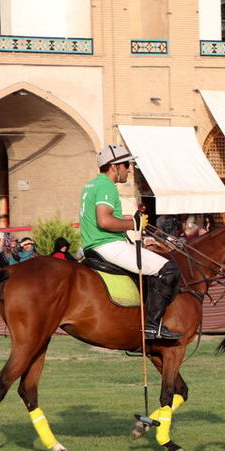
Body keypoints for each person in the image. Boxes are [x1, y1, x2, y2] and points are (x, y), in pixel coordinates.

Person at [80, 144, 181, 340]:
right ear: (114, 166)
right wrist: (132, 223)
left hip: (93, 245)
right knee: (169, 269)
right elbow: (104, 220)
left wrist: (127, 219)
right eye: (126, 164)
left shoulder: (91, 184)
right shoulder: (107, 186)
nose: (128, 169)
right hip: (108, 244)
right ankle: (153, 326)